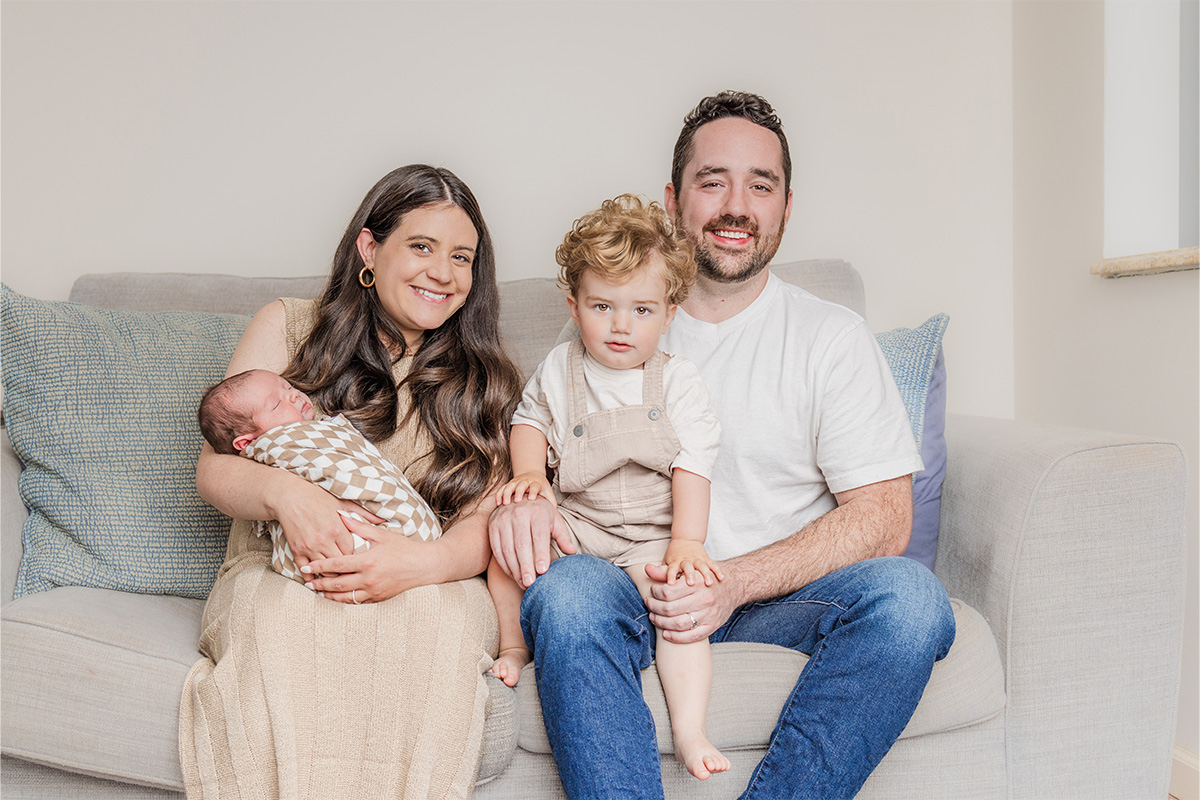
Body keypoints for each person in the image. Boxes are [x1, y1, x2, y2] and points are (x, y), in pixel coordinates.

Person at [487, 92, 957, 799]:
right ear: (675, 199)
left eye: (759, 185)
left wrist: (731, 583)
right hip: (627, 581)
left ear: (786, 206)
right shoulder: (611, 320)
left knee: (912, 601)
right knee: (568, 596)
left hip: (773, 599)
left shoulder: (828, 337)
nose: (736, 205)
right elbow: (538, 443)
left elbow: (886, 518)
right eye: (714, 182)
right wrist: (525, 497)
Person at [180, 164, 523, 799]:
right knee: (283, 627)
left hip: (431, 575)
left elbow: (490, 519)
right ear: (370, 249)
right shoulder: (289, 325)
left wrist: (422, 565)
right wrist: (290, 496)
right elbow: (214, 467)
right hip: (283, 569)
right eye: (421, 246)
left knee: (432, 629)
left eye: (461, 257)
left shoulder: (488, 379)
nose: (442, 273)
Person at [487, 195, 729, 780]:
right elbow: (529, 422)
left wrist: (688, 543)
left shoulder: (677, 380)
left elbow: (694, 463)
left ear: (669, 313)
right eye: (603, 306)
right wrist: (527, 477)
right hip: (580, 525)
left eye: (642, 309)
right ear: (575, 305)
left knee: (681, 613)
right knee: (504, 546)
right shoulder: (560, 368)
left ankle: (690, 728)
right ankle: (514, 645)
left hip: (651, 535)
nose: (622, 325)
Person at [196, 368, 442, 584]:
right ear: (247, 442)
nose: (293, 395)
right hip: (349, 541)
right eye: (276, 404)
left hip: (421, 554)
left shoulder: (321, 430)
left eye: (288, 386)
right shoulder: (276, 447)